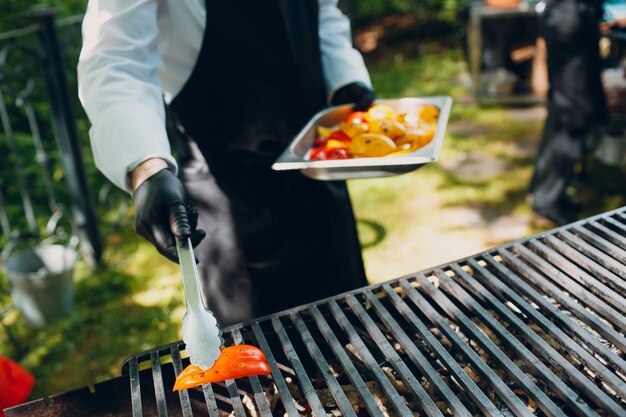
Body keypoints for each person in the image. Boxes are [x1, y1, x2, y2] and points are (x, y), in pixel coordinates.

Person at [78, 0, 374, 326]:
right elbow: (115, 61)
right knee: (264, 358)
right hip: (230, 200)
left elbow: (324, 13)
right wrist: (146, 167)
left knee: (352, 326)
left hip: (319, 176)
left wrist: (344, 78)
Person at [529, 0, 608, 226]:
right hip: (569, 18)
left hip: (568, 16)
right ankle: (547, 200)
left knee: (561, 108)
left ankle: (544, 190)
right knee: (573, 113)